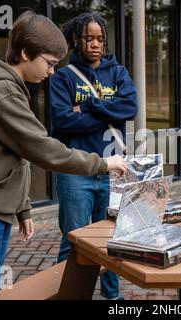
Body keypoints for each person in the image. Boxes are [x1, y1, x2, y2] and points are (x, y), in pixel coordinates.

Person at [0, 10, 127, 300]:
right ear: (26, 53)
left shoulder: (8, 87)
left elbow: (16, 155)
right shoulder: (2, 93)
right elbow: (42, 148)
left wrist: (23, 207)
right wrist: (103, 163)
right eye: (50, 63)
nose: (52, 71)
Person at [49, 12, 138, 300]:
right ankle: (67, 295)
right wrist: (107, 108)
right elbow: (63, 121)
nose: (95, 44)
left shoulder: (118, 73)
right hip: (75, 172)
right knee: (73, 240)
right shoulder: (63, 77)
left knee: (112, 240)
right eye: (89, 38)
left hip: (114, 172)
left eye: (100, 39)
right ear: (76, 39)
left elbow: (130, 108)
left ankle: (113, 298)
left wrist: (87, 107)